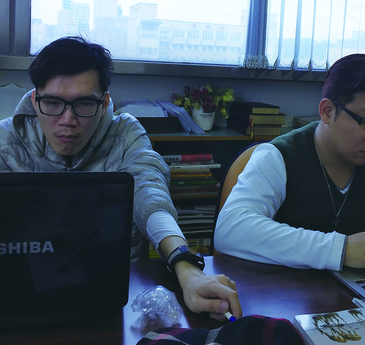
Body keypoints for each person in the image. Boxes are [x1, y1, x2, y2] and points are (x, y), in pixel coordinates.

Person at [0, 36, 241, 320]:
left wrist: (186, 266)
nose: (67, 120)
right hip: (17, 297)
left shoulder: (125, 133)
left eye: (84, 104)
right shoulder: (6, 140)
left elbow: (150, 192)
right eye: (52, 103)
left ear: (104, 103)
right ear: (34, 99)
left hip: (110, 298)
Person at [214, 54, 365, 274]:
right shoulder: (278, 157)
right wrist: (341, 249)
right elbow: (231, 229)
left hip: (363, 292)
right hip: (286, 293)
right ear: (327, 111)